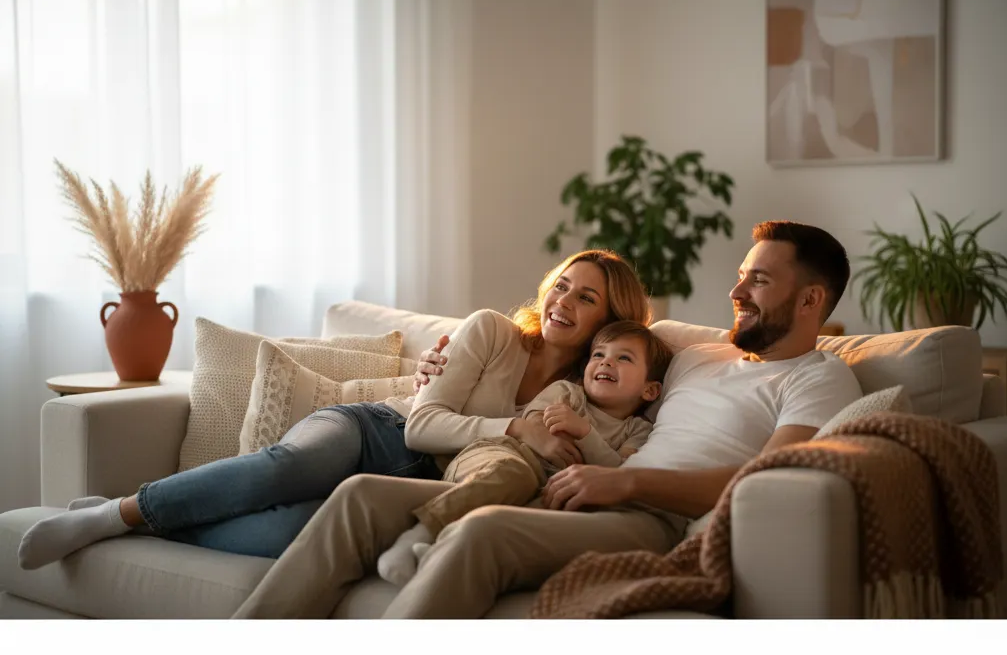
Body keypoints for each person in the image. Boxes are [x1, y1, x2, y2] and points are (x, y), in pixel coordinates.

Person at [230, 220, 865, 619]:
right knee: (361, 494)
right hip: (580, 484)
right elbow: (605, 374)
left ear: (810, 299)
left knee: (481, 533)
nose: (737, 291)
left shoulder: (820, 375)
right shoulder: (696, 355)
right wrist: (428, 372)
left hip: (652, 519)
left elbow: (765, 480)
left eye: (758, 281)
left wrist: (629, 484)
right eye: (740, 276)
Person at [18, 249, 652, 570]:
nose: (564, 300)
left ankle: (155, 518)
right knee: (282, 470)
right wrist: (514, 428)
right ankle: (115, 513)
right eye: (562, 285)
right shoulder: (490, 331)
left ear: (611, 317)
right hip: (377, 431)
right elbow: (427, 423)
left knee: (294, 534)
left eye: (587, 297)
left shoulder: (585, 396)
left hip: (412, 483)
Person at [376, 319, 675, 586]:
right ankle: (419, 534)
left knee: (538, 512)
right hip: (505, 453)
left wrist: (585, 434)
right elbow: (533, 422)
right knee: (509, 475)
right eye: (599, 355)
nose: (606, 363)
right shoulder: (567, 393)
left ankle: (445, 550)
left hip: (548, 486)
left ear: (650, 391)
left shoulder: (638, 430)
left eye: (623, 358)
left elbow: (617, 472)